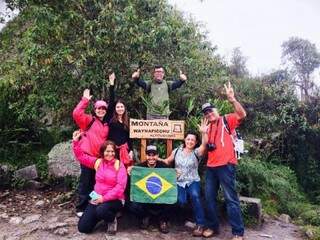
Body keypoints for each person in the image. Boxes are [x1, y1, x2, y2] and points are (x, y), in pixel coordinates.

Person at [202, 82, 246, 240]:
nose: (209, 114)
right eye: (206, 113)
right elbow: (205, 148)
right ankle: (213, 227)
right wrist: (203, 133)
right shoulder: (207, 127)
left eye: (210, 111)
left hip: (226, 166)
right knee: (209, 198)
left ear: (216, 110)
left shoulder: (226, 119)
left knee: (230, 199)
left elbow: (242, 115)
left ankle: (238, 232)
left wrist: (232, 99)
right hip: (211, 167)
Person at [72, 73, 115, 216]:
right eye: (98, 108)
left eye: (103, 108)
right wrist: (85, 100)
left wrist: (112, 85)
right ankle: (81, 208)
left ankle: (93, 205)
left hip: (100, 159)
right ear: (95, 110)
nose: (101, 110)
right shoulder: (89, 120)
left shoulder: (107, 124)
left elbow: (112, 104)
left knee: (97, 183)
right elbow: (77, 113)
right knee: (85, 182)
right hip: (87, 157)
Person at [159, 119, 208, 237]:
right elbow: (167, 161)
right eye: (188, 139)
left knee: (195, 196)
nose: (190, 141)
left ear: (195, 142)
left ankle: (200, 224)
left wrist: (203, 133)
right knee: (181, 201)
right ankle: (186, 219)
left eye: (192, 140)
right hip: (179, 182)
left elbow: (204, 145)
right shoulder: (177, 151)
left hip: (192, 181)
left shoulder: (196, 152)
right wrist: (157, 159)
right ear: (184, 140)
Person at [72, 130, 127, 235]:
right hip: (97, 198)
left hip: (115, 200)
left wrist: (103, 199)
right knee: (83, 228)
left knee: (101, 210)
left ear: (115, 153)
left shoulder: (119, 165)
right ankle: (99, 216)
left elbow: (120, 188)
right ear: (102, 152)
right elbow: (81, 157)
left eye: (112, 151)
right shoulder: (98, 162)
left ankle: (111, 220)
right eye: (107, 151)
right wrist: (75, 142)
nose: (110, 154)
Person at [127, 145, 172, 234]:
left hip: (159, 198)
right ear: (146, 156)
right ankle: (145, 217)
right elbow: (133, 184)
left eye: (154, 155)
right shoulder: (140, 167)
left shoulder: (164, 167)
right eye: (149, 155)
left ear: (157, 156)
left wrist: (176, 173)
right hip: (145, 199)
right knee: (131, 204)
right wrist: (131, 170)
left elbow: (171, 180)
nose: (151, 157)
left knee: (173, 199)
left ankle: (163, 220)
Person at [108, 99, 134, 168]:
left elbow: (130, 137)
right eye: (118, 107)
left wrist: (131, 150)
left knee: (126, 170)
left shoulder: (128, 121)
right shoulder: (111, 121)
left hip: (125, 149)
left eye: (121, 107)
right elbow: (109, 137)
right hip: (114, 150)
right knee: (115, 169)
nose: (120, 109)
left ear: (124, 108)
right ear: (115, 109)